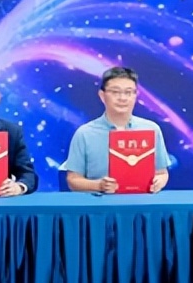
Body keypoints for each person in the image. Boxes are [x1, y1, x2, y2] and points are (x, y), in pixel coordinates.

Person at [64, 66, 170, 194]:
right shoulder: (85, 133)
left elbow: (162, 173)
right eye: (115, 92)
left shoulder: (152, 129)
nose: (122, 98)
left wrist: (159, 182)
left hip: (142, 202)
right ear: (102, 96)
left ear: (136, 95)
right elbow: (73, 180)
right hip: (100, 203)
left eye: (128, 92)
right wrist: (99, 185)